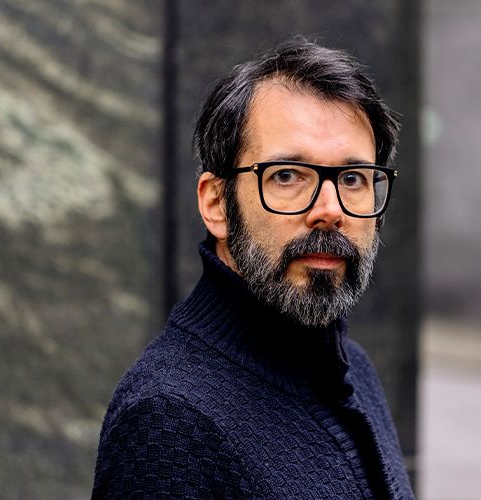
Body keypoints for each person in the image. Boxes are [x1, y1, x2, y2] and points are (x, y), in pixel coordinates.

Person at [92, 38, 414, 499]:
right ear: (217, 204)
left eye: (352, 178)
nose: (330, 210)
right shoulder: (168, 421)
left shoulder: (353, 367)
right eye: (287, 175)